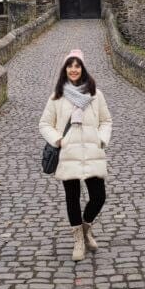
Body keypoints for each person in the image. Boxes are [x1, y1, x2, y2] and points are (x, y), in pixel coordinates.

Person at [39, 49, 112, 261]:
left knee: (99, 196)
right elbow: (44, 124)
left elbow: (106, 120)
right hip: (68, 153)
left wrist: (101, 139)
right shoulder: (57, 97)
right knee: (72, 198)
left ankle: (86, 227)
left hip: (91, 151)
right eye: (70, 65)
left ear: (83, 68)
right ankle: (78, 239)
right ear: (65, 69)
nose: (73, 69)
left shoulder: (96, 94)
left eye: (77, 65)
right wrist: (58, 140)